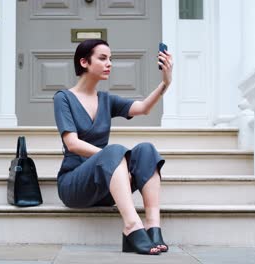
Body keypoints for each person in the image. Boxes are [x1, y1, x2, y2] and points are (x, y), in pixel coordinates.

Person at [53, 39, 173, 255]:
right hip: (74, 185)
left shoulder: (106, 100)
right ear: (84, 62)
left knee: (146, 149)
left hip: (107, 185)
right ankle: (131, 226)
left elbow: (144, 108)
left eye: (110, 59)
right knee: (115, 151)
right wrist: (114, 160)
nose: (109, 63)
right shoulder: (64, 98)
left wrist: (165, 82)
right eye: (102, 58)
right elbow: (72, 143)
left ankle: (153, 226)